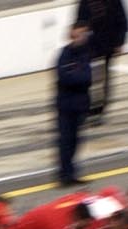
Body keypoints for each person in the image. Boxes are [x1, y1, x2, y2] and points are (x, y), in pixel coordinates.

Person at [54, 23, 96, 185]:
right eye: (78, 35)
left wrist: (76, 77)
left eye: (84, 34)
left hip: (80, 105)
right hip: (65, 106)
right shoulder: (64, 54)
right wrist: (77, 78)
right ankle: (64, 175)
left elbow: (88, 79)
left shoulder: (85, 54)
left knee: (76, 141)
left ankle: (72, 172)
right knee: (65, 141)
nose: (82, 38)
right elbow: (65, 78)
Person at [75, 0, 128, 119]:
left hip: (108, 42)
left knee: (104, 77)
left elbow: (123, 20)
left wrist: (119, 42)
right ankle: (89, 106)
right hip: (91, 44)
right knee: (88, 77)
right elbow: (80, 20)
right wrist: (78, 38)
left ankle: (99, 108)